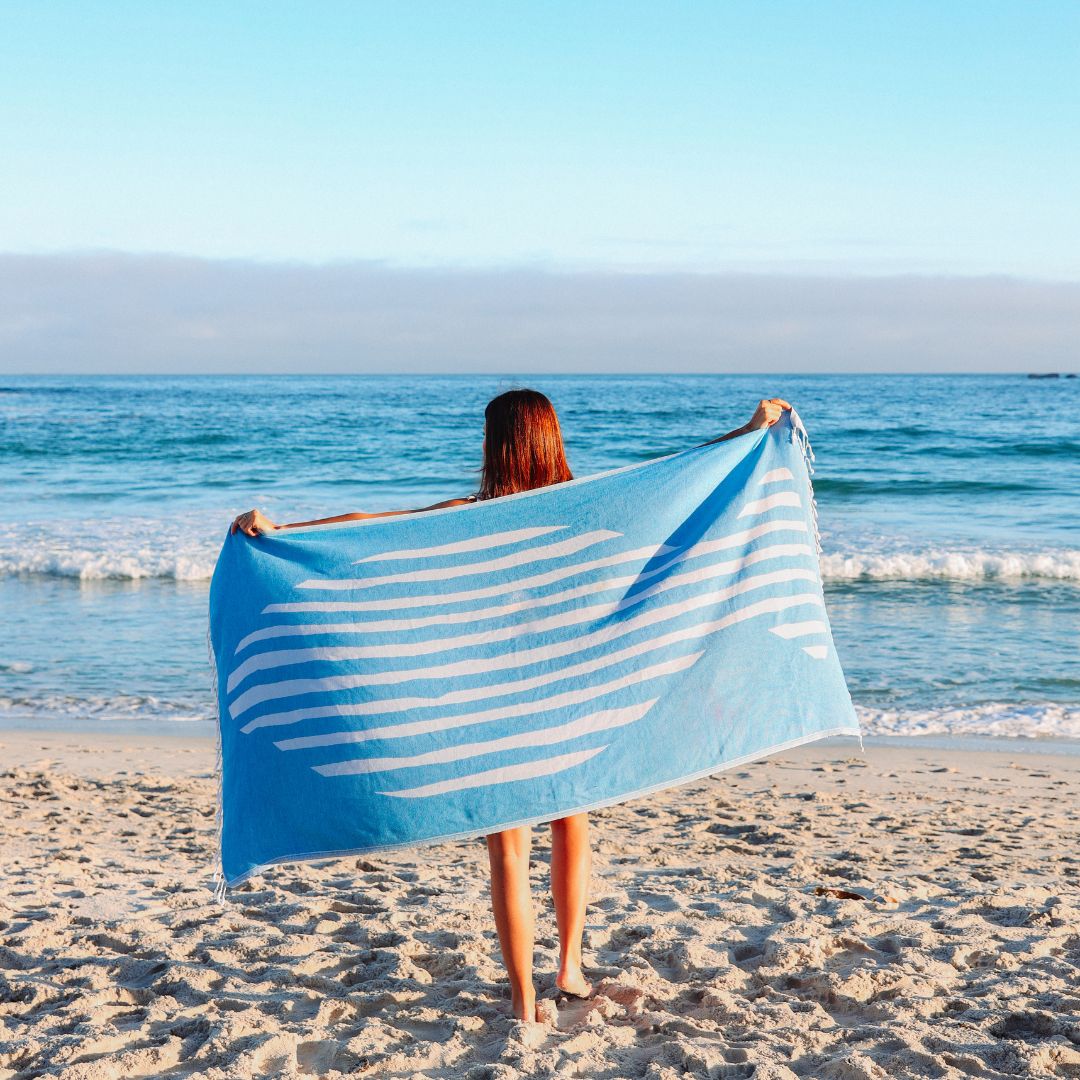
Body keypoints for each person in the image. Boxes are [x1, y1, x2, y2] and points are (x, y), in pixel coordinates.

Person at [231, 389, 791, 1022]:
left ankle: (525, 1000)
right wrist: (749, 432)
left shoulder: (471, 514)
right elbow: (678, 476)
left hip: (498, 700)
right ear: (550, 436)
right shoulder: (584, 505)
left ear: (495, 443)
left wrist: (280, 531)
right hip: (574, 693)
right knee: (572, 827)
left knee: (509, 851)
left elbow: (373, 527)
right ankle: (570, 967)